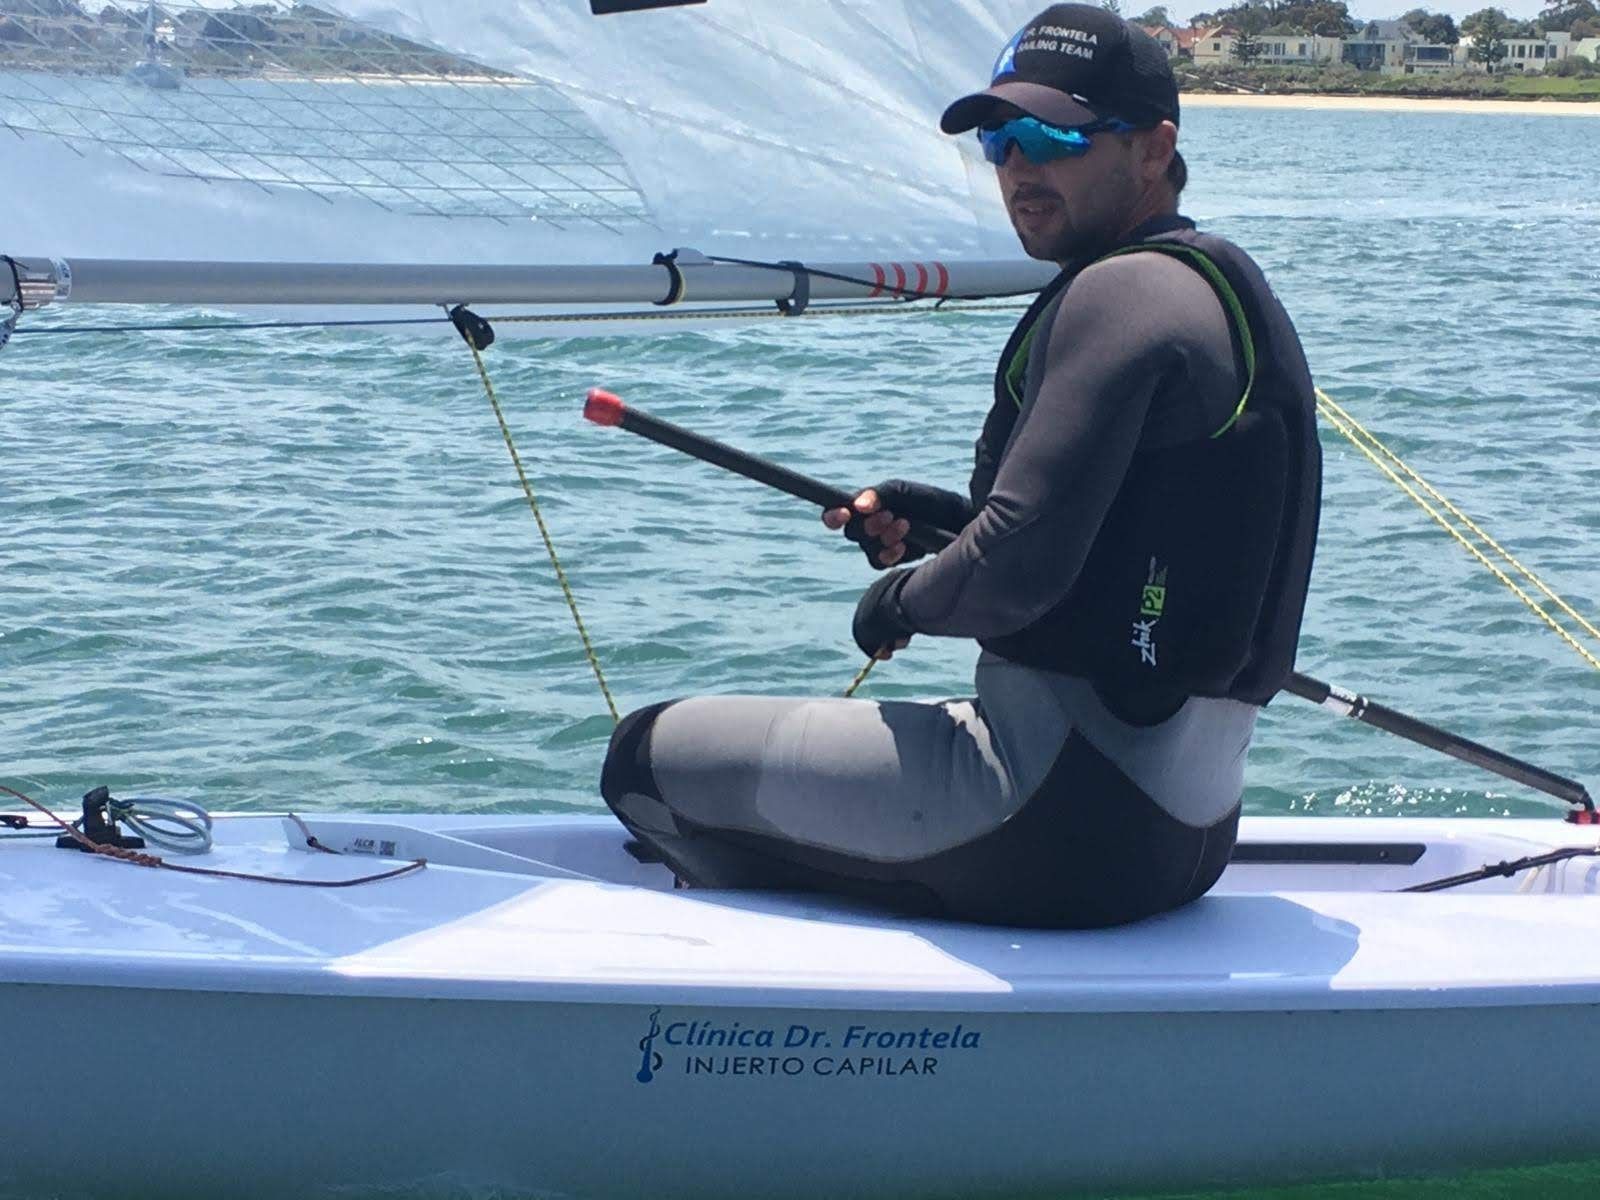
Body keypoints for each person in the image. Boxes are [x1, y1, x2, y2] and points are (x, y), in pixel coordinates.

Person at [599, 3, 1322, 928]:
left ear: (1153, 148)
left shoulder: (1122, 294)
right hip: (1186, 836)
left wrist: (895, 601)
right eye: (999, 142)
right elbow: (1115, 544)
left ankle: (799, 1016)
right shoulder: (1215, 286)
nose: (1019, 167)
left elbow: (1016, 570)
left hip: (1049, 818)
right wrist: (939, 523)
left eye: (1050, 135)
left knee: (644, 758)